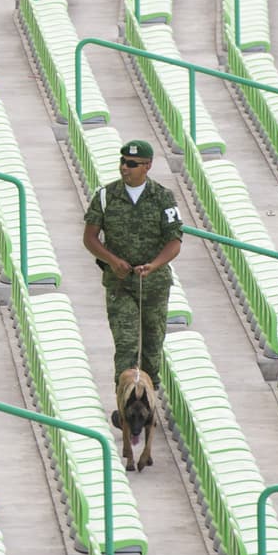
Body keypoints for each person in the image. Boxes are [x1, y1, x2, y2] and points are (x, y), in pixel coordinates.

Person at [83, 139, 183, 388]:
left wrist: (154, 265)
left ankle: (147, 399)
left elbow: (174, 242)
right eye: (122, 161)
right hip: (120, 283)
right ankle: (125, 400)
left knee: (152, 346)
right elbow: (90, 237)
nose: (124, 168)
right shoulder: (106, 196)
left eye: (131, 163)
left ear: (147, 166)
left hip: (154, 283)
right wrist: (112, 260)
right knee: (126, 344)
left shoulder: (162, 198)